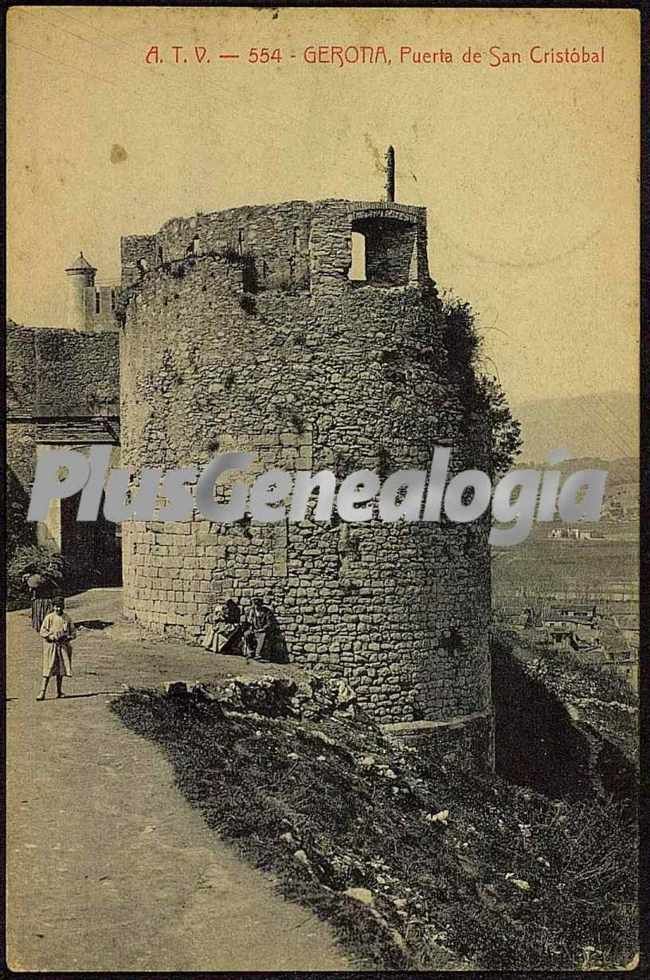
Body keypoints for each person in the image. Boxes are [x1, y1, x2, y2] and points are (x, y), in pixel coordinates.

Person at [37, 597, 76, 700]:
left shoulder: (67, 618)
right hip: (51, 646)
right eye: (56, 606)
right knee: (48, 668)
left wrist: (68, 637)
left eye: (60, 606)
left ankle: (59, 691)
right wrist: (50, 636)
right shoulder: (49, 617)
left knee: (61, 669)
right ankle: (42, 692)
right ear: (53, 607)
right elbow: (42, 631)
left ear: (63, 607)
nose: (58, 609)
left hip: (63, 647)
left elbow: (73, 632)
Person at [23, 569, 57, 633]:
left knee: (41, 613)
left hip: (41, 599)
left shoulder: (34, 579)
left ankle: (43, 626)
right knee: (44, 613)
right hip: (44, 599)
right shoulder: (40, 578)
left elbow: (32, 588)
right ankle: (46, 626)